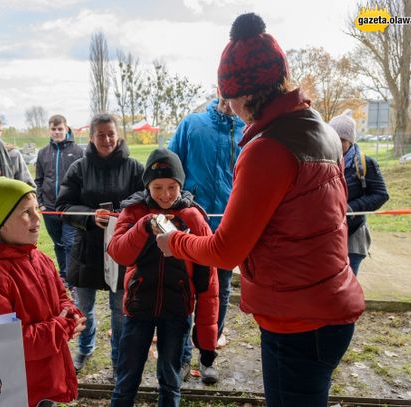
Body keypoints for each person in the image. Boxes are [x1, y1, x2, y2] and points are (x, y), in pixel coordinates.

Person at [156, 13, 365, 407]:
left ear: (245, 94)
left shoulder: (267, 148)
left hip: (298, 319)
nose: (229, 107)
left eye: (229, 97)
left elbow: (226, 251)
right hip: (324, 303)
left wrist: (175, 241)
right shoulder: (317, 127)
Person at [108, 148, 219, 406]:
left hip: (177, 312)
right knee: (126, 380)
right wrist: (144, 226)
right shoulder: (133, 212)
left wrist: (207, 338)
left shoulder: (193, 217)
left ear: (181, 185)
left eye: (172, 187)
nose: (166, 194)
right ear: (147, 186)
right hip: (138, 310)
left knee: (170, 381)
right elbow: (119, 253)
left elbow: (207, 280)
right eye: (157, 187)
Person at [0, 177, 86, 407]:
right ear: (2, 222)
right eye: (26, 213)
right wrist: (62, 327)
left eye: (36, 209)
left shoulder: (38, 258)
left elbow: (60, 296)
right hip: (18, 390)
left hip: (45, 378)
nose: (37, 218)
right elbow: (4, 344)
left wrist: (69, 311)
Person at [56, 113, 144, 377]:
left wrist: (124, 215)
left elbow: (144, 199)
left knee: (120, 309)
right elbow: (62, 206)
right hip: (87, 250)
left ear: (118, 135)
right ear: (91, 138)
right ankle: (85, 347)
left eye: (111, 134)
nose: (106, 139)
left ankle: (119, 358)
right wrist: (90, 217)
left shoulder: (134, 167)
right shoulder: (79, 169)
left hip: (122, 249)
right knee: (84, 308)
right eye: (100, 134)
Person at [168, 93, 245, 383]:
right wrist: (183, 201)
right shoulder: (192, 124)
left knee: (220, 291)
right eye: (226, 92)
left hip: (228, 227)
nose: (230, 100)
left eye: (236, 94)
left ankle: (208, 356)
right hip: (191, 224)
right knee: (185, 290)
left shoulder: (247, 131)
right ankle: (183, 357)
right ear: (218, 89)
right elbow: (170, 163)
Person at [329, 110, 389, 275]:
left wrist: (351, 208)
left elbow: (381, 195)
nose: (337, 143)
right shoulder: (325, 162)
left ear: (351, 140)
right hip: (328, 235)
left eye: (342, 139)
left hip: (353, 237)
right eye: (333, 138)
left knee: (348, 285)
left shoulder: (365, 164)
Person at [35, 115, 84, 285]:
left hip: (70, 208)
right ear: (49, 130)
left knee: (70, 243)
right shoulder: (42, 153)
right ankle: (64, 275)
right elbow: (39, 180)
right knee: (58, 244)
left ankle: (72, 277)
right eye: (53, 129)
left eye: (60, 129)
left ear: (66, 129)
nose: (57, 132)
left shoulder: (78, 152)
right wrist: (40, 202)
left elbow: (82, 179)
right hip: (48, 207)